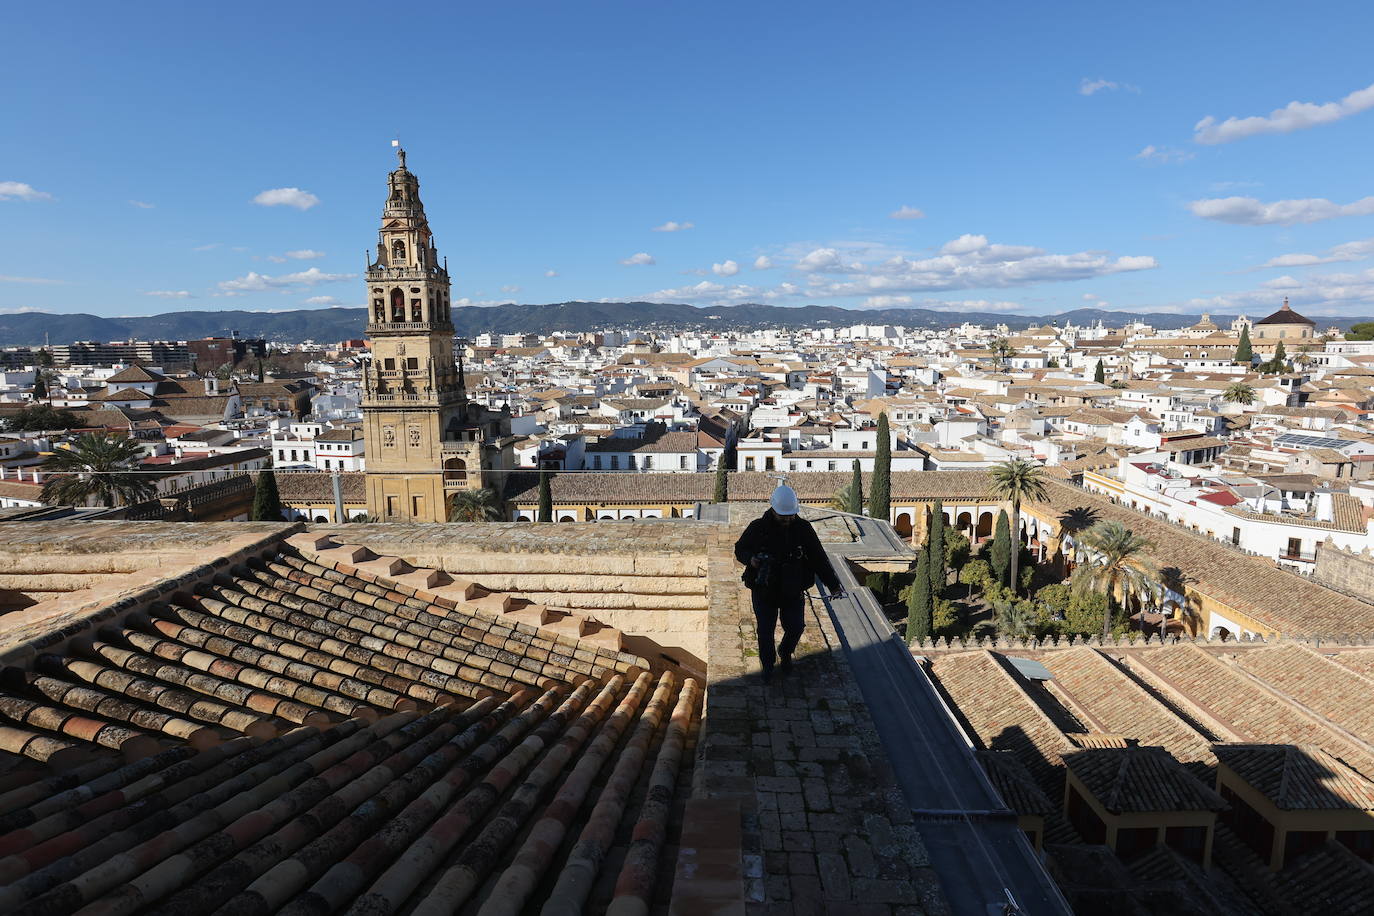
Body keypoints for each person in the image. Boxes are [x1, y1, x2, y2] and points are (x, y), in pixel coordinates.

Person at [734, 485, 845, 683]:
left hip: (792, 589)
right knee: (765, 631)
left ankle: (785, 652)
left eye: (791, 515)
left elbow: (818, 558)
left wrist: (833, 584)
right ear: (773, 510)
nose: (787, 519)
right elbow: (740, 549)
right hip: (764, 589)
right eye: (783, 516)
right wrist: (750, 559)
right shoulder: (757, 528)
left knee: (796, 627)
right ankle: (767, 665)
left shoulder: (803, 530)